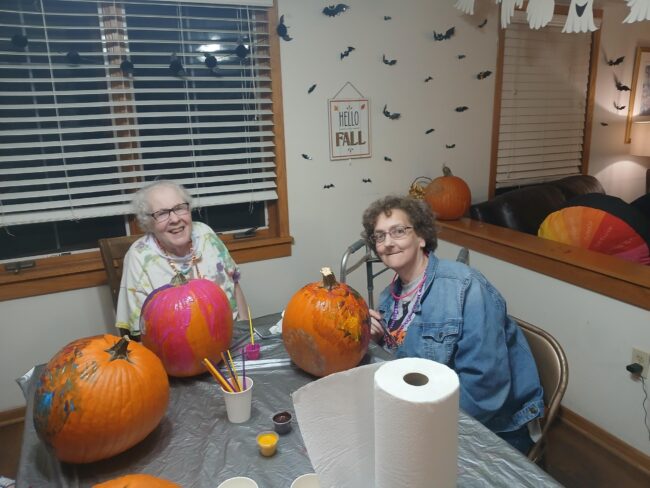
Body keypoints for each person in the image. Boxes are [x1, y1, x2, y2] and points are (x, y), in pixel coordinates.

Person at [361, 195, 544, 454]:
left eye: (398, 231)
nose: (388, 243)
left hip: (488, 431)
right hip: (426, 412)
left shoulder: (465, 287)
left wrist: (418, 428)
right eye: (380, 236)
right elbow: (406, 364)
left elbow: (485, 392)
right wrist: (378, 339)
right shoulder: (389, 297)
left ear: (421, 237)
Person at [115, 180, 248, 339]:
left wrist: (246, 331)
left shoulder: (205, 234)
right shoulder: (138, 257)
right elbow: (141, 331)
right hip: (177, 352)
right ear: (148, 222)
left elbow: (234, 284)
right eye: (162, 213)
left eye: (179, 208)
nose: (175, 219)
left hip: (231, 337)